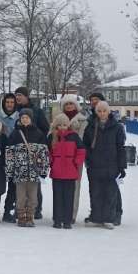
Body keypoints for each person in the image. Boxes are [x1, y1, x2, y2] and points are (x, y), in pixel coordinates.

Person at [83, 101, 126, 230]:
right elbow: (85, 145)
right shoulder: (91, 126)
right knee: (95, 192)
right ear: (96, 112)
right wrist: (88, 159)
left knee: (110, 193)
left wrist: (122, 167)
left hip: (111, 165)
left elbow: (121, 147)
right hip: (95, 165)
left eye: (104, 111)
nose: (102, 113)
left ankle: (109, 218)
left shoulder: (117, 127)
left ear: (108, 111)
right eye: (99, 111)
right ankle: (96, 217)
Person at [5, 109, 49, 227]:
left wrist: (43, 171)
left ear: (31, 119)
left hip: (34, 172)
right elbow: (9, 153)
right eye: (22, 118)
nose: (25, 120)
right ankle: (21, 216)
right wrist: (9, 170)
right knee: (20, 197)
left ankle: (30, 216)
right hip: (19, 172)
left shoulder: (38, 134)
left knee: (33, 197)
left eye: (27, 118)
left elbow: (44, 153)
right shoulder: (15, 134)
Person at [48, 115, 86, 229]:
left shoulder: (74, 136)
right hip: (57, 172)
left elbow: (81, 150)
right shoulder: (52, 136)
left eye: (64, 125)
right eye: (59, 125)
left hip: (70, 171)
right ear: (56, 126)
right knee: (57, 197)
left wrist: (76, 162)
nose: (62, 127)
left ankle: (67, 220)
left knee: (69, 197)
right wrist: (51, 162)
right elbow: (47, 151)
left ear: (68, 125)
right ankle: (57, 219)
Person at [59, 94, 89, 222]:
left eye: (71, 103)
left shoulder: (82, 121)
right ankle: (60, 212)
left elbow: (82, 140)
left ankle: (71, 214)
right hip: (60, 157)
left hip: (75, 157)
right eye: (66, 104)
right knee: (60, 185)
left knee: (75, 185)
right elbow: (53, 135)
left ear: (76, 105)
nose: (69, 106)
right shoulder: (59, 119)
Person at [0, 92, 19, 222]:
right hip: (0, 154)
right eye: (7, 102)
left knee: (13, 185)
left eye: (12, 102)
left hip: (15, 155)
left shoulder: (19, 117)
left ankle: (8, 211)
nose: (9, 104)